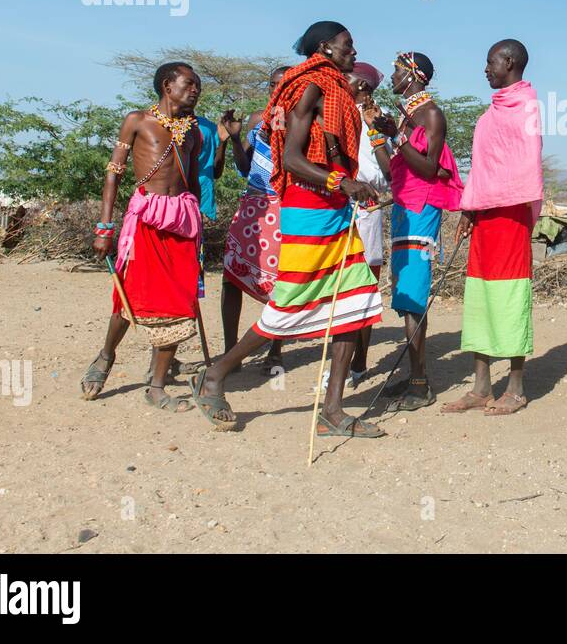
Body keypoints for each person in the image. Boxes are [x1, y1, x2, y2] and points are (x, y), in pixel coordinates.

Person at [189, 22, 385, 437]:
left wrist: (349, 187)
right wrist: (342, 182)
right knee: (289, 305)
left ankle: (331, 410)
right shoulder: (312, 87)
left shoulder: (335, 88)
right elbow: (293, 159)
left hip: (332, 207)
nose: (354, 51)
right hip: (308, 209)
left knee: (355, 303)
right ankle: (215, 375)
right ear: (325, 47)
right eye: (348, 45)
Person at [79, 62, 204, 412]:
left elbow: (192, 182)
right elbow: (113, 175)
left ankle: (156, 385)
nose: (196, 90)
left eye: (197, 86)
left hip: (182, 221)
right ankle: (105, 357)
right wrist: (105, 227)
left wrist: (198, 228)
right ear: (168, 86)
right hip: (146, 219)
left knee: (180, 302)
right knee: (129, 295)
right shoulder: (137, 121)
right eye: (189, 84)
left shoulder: (194, 131)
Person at [440, 39, 542, 416]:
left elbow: (522, 167)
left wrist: (485, 201)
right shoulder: (492, 111)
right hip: (483, 215)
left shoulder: (525, 107)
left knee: (510, 295)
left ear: (509, 62)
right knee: (479, 296)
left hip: (511, 215)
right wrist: (469, 209)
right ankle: (481, 386)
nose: (485, 69)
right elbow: (483, 170)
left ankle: (515, 388)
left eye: (490, 62)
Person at [379, 51, 464, 411]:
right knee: (404, 291)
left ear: (414, 75)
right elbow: (391, 171)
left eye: (397, 71)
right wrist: (377, 135)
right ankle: (415, 376)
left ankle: (419, 384)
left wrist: (395, 138)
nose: (392, 77)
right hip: (404, 206)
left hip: (422, 209)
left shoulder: (430, 115)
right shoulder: (407, 116)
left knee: (414, 291)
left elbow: (429, 169)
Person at [315, 60, 398, 392]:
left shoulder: (379, 119)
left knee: (361, 288)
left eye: (345, 79)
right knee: (336, 289)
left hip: (365, 206)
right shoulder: (334, 111)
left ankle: (358, 364)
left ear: (361, 85)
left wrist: (375, 130)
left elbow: (389, 171)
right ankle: (343, 365)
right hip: (336, 204)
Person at [220, 65, 288, 371]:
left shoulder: (303, 121)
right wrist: (235, 139)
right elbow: (245, 167)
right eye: (274, 85)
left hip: (285, 206)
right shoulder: (257, 119)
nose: (278, 90)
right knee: (231, 276)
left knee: (281, 282)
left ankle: (276, 348)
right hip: (253, 205)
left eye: (285, 85)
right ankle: (230, 349)